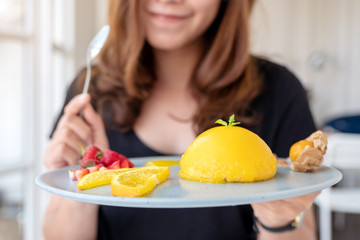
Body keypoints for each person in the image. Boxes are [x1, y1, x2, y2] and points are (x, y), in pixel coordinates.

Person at [43, 0, 320, 239]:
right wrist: (81, 185)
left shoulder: (278, 90)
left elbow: (303, 233)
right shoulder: (90, 90)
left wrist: (278, 220)